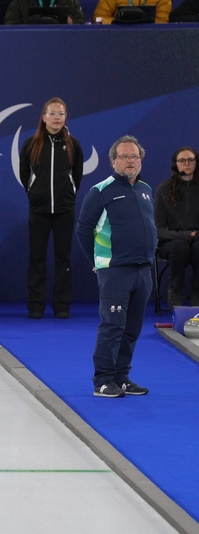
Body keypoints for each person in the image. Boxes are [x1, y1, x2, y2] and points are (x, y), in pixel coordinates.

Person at [75, 135, 157, 398]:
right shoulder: (100, 191)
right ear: (113, 162)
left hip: (143, 271)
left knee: (132, 329)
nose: (130, 160)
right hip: (115, 271)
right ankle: (102, 380)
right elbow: (83, 229)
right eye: (124, 156)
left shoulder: (145, 189)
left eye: (134, 156)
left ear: (140, 160)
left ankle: (121, 377)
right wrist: (98, 263)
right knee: (112, 326)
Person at [19, 98, 84, 319]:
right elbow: (24, 174)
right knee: (37, 258)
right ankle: (36, 306)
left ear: (65, 117)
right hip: (38, 211)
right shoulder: (31, 144)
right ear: (44, 117)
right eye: (52, 113)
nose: (57, 118)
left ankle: (62, 305)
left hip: (65, 210)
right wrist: (34, 193)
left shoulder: (73, 145)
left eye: (61, 114)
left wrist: (68, 194)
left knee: (63, 259)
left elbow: (77, 175)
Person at [154, 147, 199, 307]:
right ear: (175, 164)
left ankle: (197, 293)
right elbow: (159, 230)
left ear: (196, 163)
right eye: (182, 160)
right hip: (171, 242)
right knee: (180, 246)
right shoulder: (164, 190)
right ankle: (175, 291)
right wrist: (185, 236)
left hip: (198, 239)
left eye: (190, 160)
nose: (187, 163)